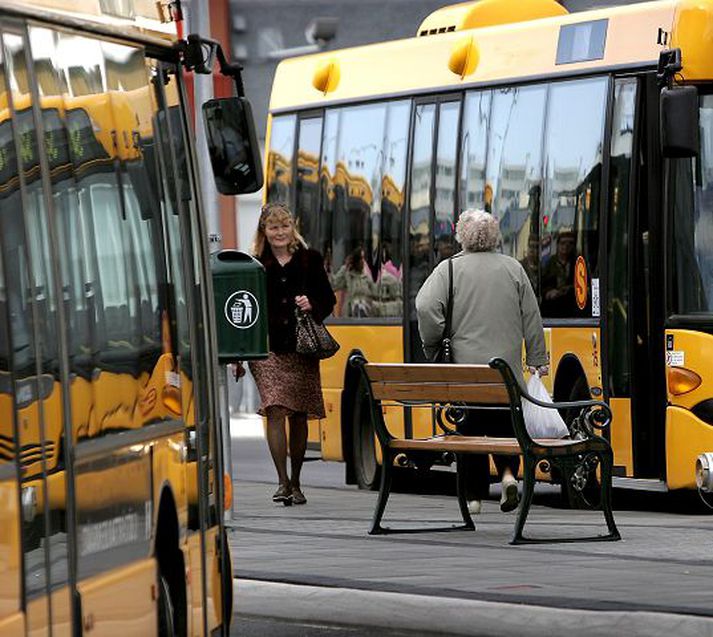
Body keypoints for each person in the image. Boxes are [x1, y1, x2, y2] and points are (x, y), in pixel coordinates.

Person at [415, 209, 549, 514]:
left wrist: (433, 341)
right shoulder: (513, 269)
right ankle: (507, 475)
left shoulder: (448, 270)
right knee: (505, 428)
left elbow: (424, 307)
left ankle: (473, 497)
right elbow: (532, 317)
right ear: (495, 236)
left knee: (469, 433)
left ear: (461, 235)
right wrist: (538, 359)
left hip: (467, 376)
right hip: (506, 376)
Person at [248, 202, 336, 506]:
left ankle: (297, 482)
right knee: (275, 408)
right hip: (268, 350)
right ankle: (282, 481)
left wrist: (312, 304)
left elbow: (328, 299)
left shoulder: (309, 260)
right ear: (264, 231)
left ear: (292, 227)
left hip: (302, 348)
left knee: (299, 415)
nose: (280, 232)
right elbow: (246, 309)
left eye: (284, 226)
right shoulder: (255, 264)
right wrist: (238, 353)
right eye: (273, 227)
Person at [541, 227, 576, 317]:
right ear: (557, 245)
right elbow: (541, 285)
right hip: (553, 308)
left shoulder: (577, 262)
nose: (566, 246)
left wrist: (570, 289)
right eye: (563, 243)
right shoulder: (549, 263)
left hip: (572, 308)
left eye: (570, 243)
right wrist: (549, 292)